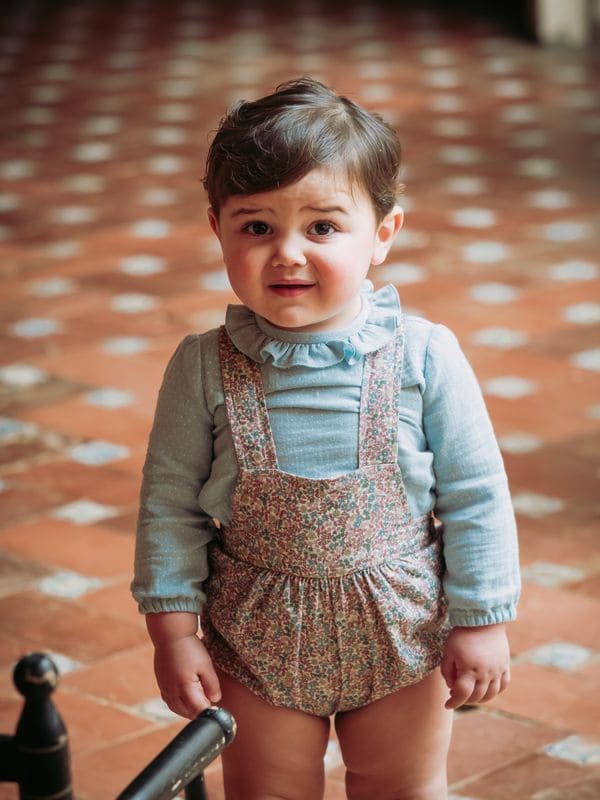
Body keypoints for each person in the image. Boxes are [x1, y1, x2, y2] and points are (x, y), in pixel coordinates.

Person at [132, 77, 520, 800]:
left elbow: (477, 495)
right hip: (255, 643)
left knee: (403, 788)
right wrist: (174, 634)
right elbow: (169, 506)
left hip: (402, 634)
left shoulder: (424, 356)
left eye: (322, 228)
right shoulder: (202, 366)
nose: (287, 253)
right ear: (217, 229)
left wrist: (482, 620)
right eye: (257, 227)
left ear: (382, 235)